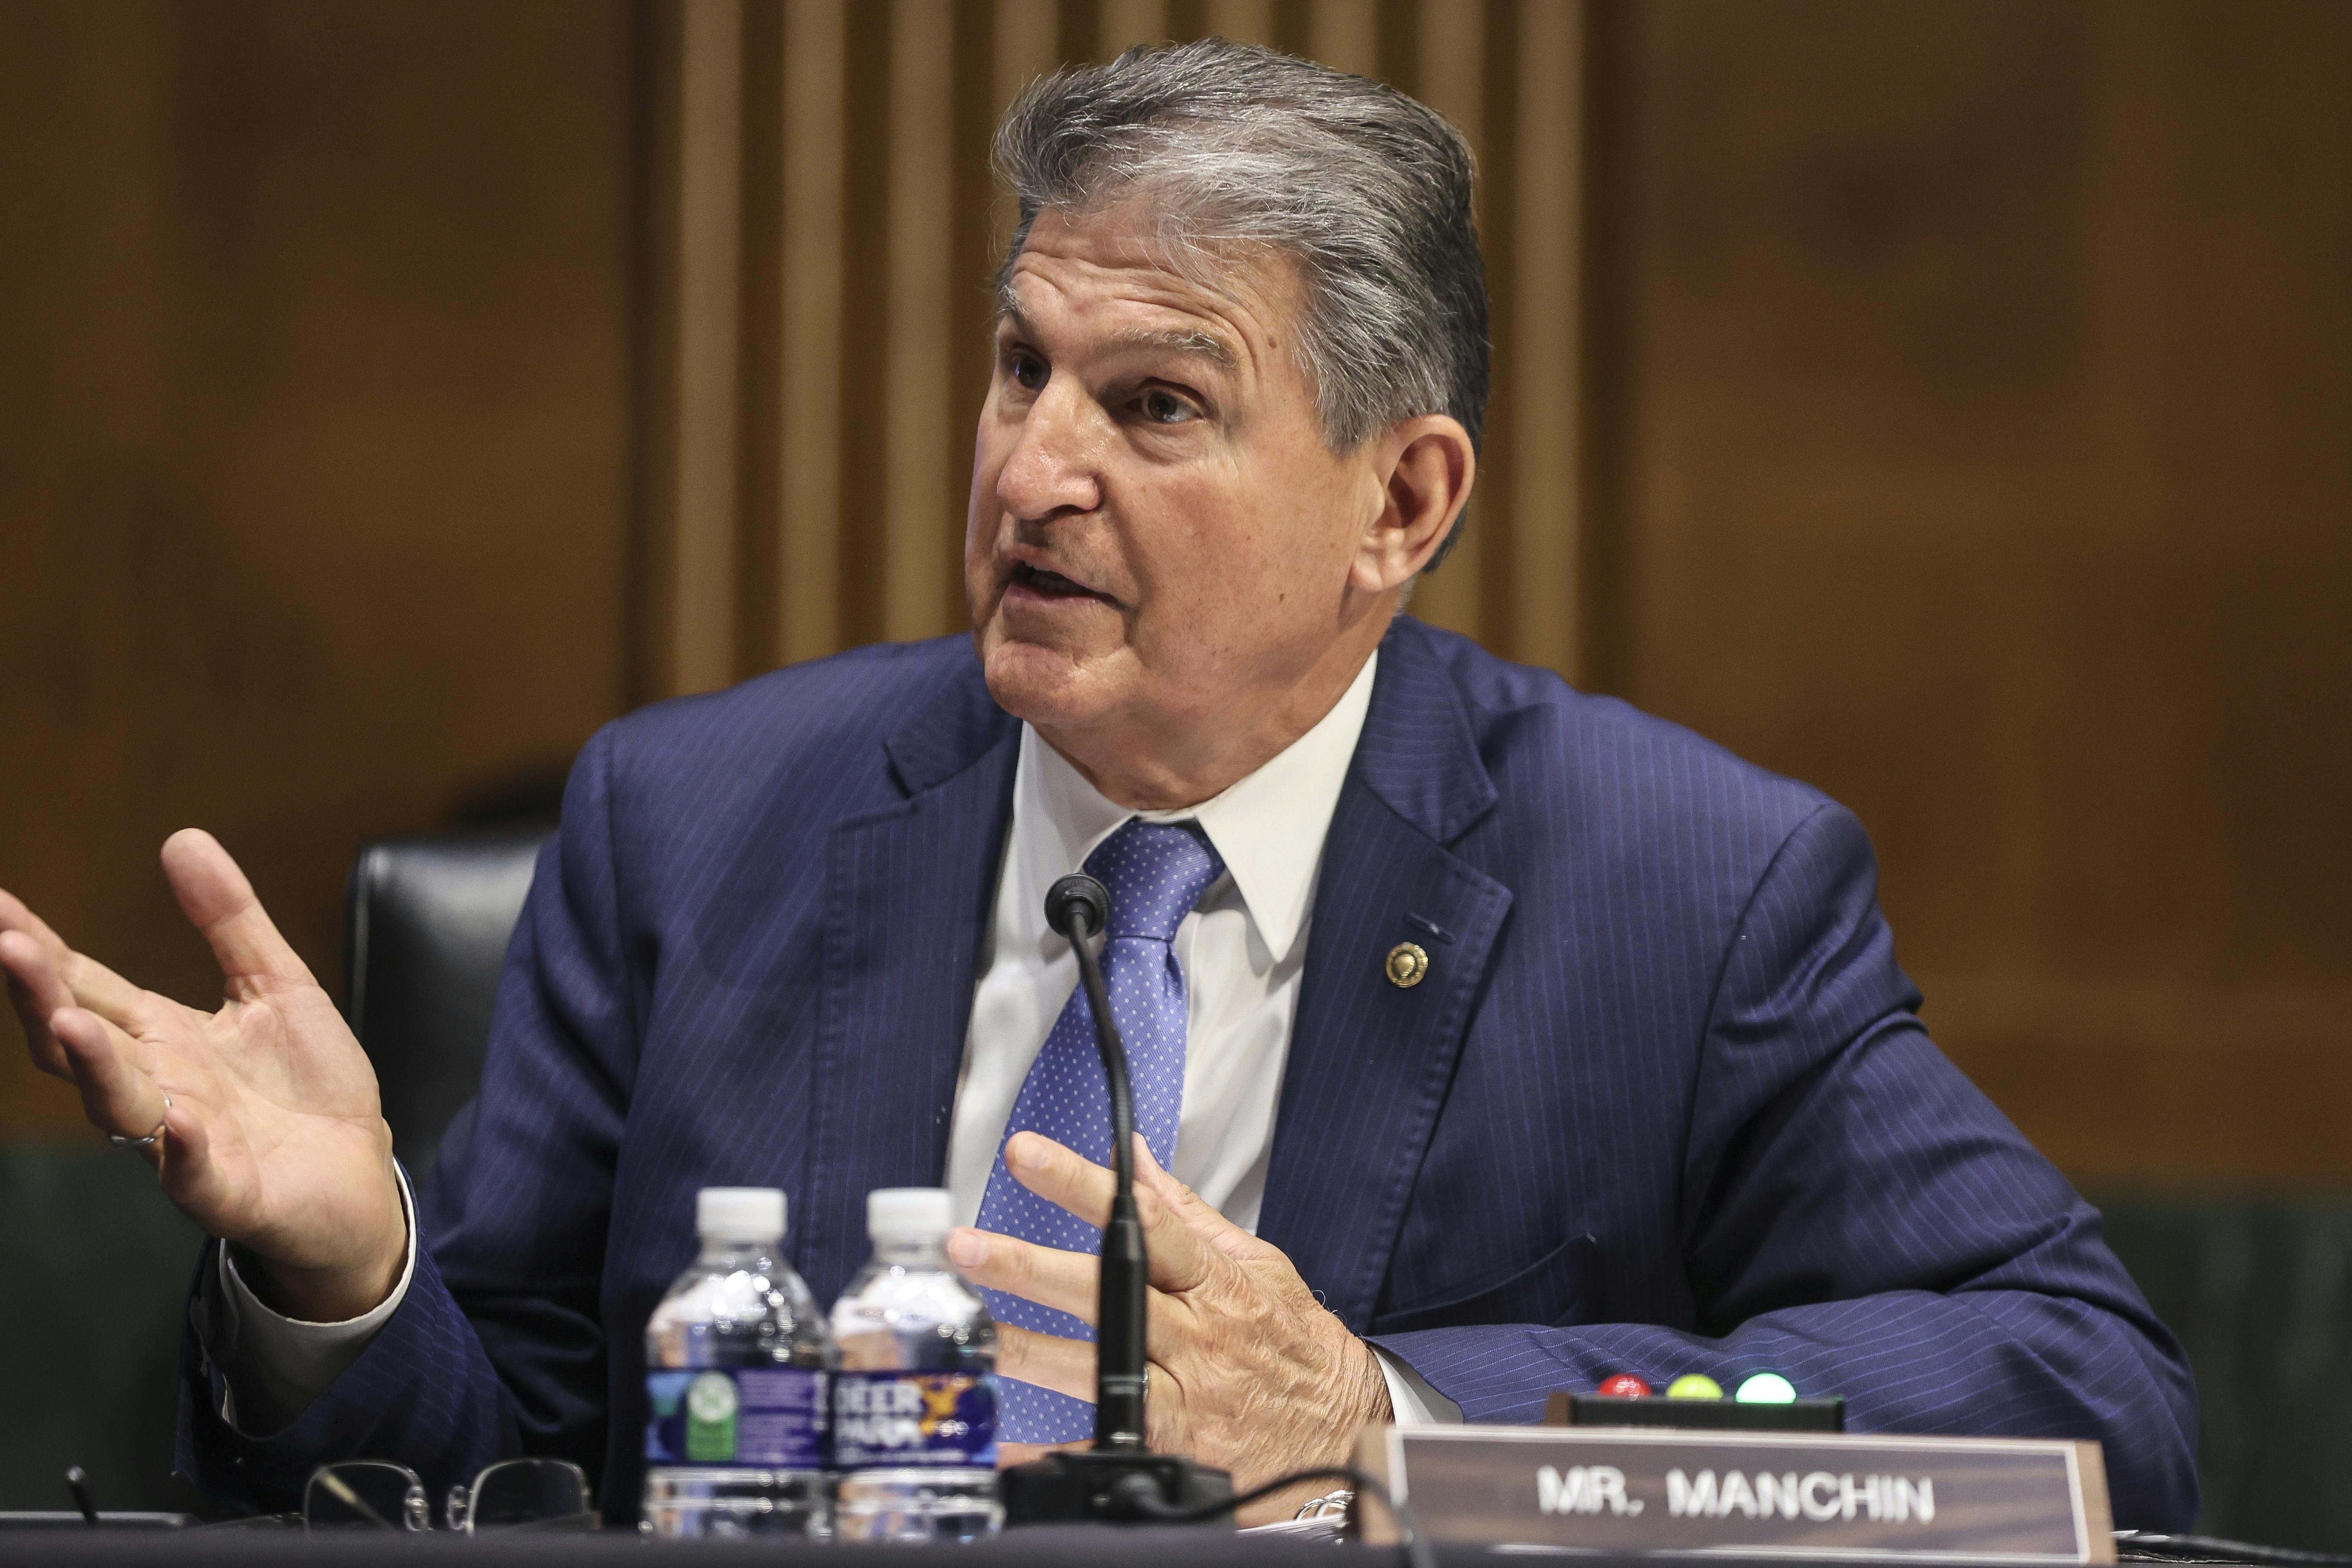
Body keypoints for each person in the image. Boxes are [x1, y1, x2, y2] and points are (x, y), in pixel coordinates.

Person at [0, 40, 2197, 1530]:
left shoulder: (1686, 887)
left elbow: (2090, 1398)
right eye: (1019, 365)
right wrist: (350, 1275)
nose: (1033, 466)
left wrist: (1391, 1431)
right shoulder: (690, 821)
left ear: (1398, 500)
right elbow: (499, 1475)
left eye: (1154, 404)